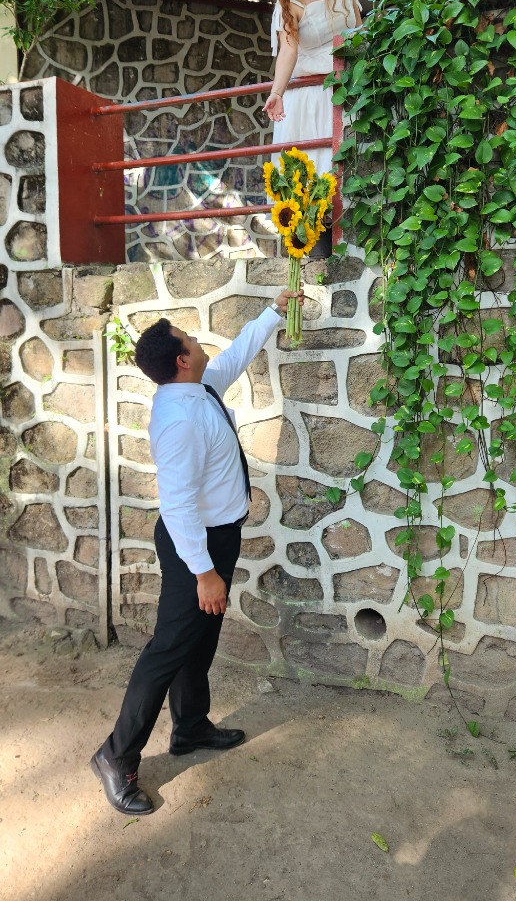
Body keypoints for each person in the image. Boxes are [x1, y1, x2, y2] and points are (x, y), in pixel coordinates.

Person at [91, 288, 303, 816]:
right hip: (196, 546)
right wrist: (205, 572)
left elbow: (233, 357)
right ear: (182, 359)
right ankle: (116, 756)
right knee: (168, 647)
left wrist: (274, 312)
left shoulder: (199, 387)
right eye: (189, 338)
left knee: (200, 637)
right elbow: (179, 505)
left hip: (217, 537)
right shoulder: (180, 420)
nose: (197, 341)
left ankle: (189, 727)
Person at [262, 0, 362, 175]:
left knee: (349, 177)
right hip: (310, 97)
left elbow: (360, 32)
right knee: (312, 180)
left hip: (348, 91)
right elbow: (288, 49)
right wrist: (277, 92)